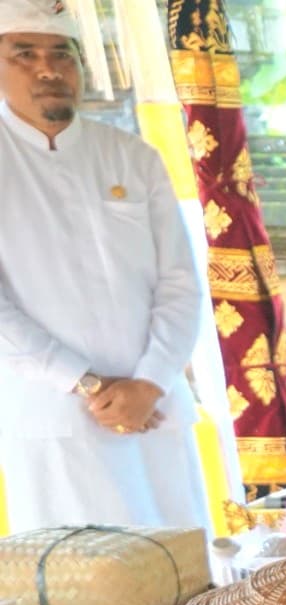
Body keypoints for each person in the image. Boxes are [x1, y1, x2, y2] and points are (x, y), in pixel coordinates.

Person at [0, 1, 208, 533]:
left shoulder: (132, 157)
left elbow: (180, 283)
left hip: (154, 410)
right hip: (55, 416)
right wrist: (87, 383)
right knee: (83, 594)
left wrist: (150, 383)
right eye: (24, 54)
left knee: (185, 574)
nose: (48, 69)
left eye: (61, 54)